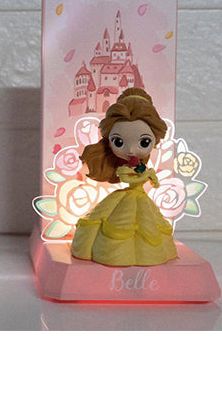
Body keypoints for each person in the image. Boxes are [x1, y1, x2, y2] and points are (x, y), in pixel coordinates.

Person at [71, 88, 178, 266]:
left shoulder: (139, 165)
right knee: (115, 225)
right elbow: (129, 179)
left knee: (148, 227)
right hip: (128, 196)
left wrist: (149, 176)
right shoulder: (123, 169)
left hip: (141, 198)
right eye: (119, 142)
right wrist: (145, 176)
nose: (130, 150)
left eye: (144, 142)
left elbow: (145, 177)